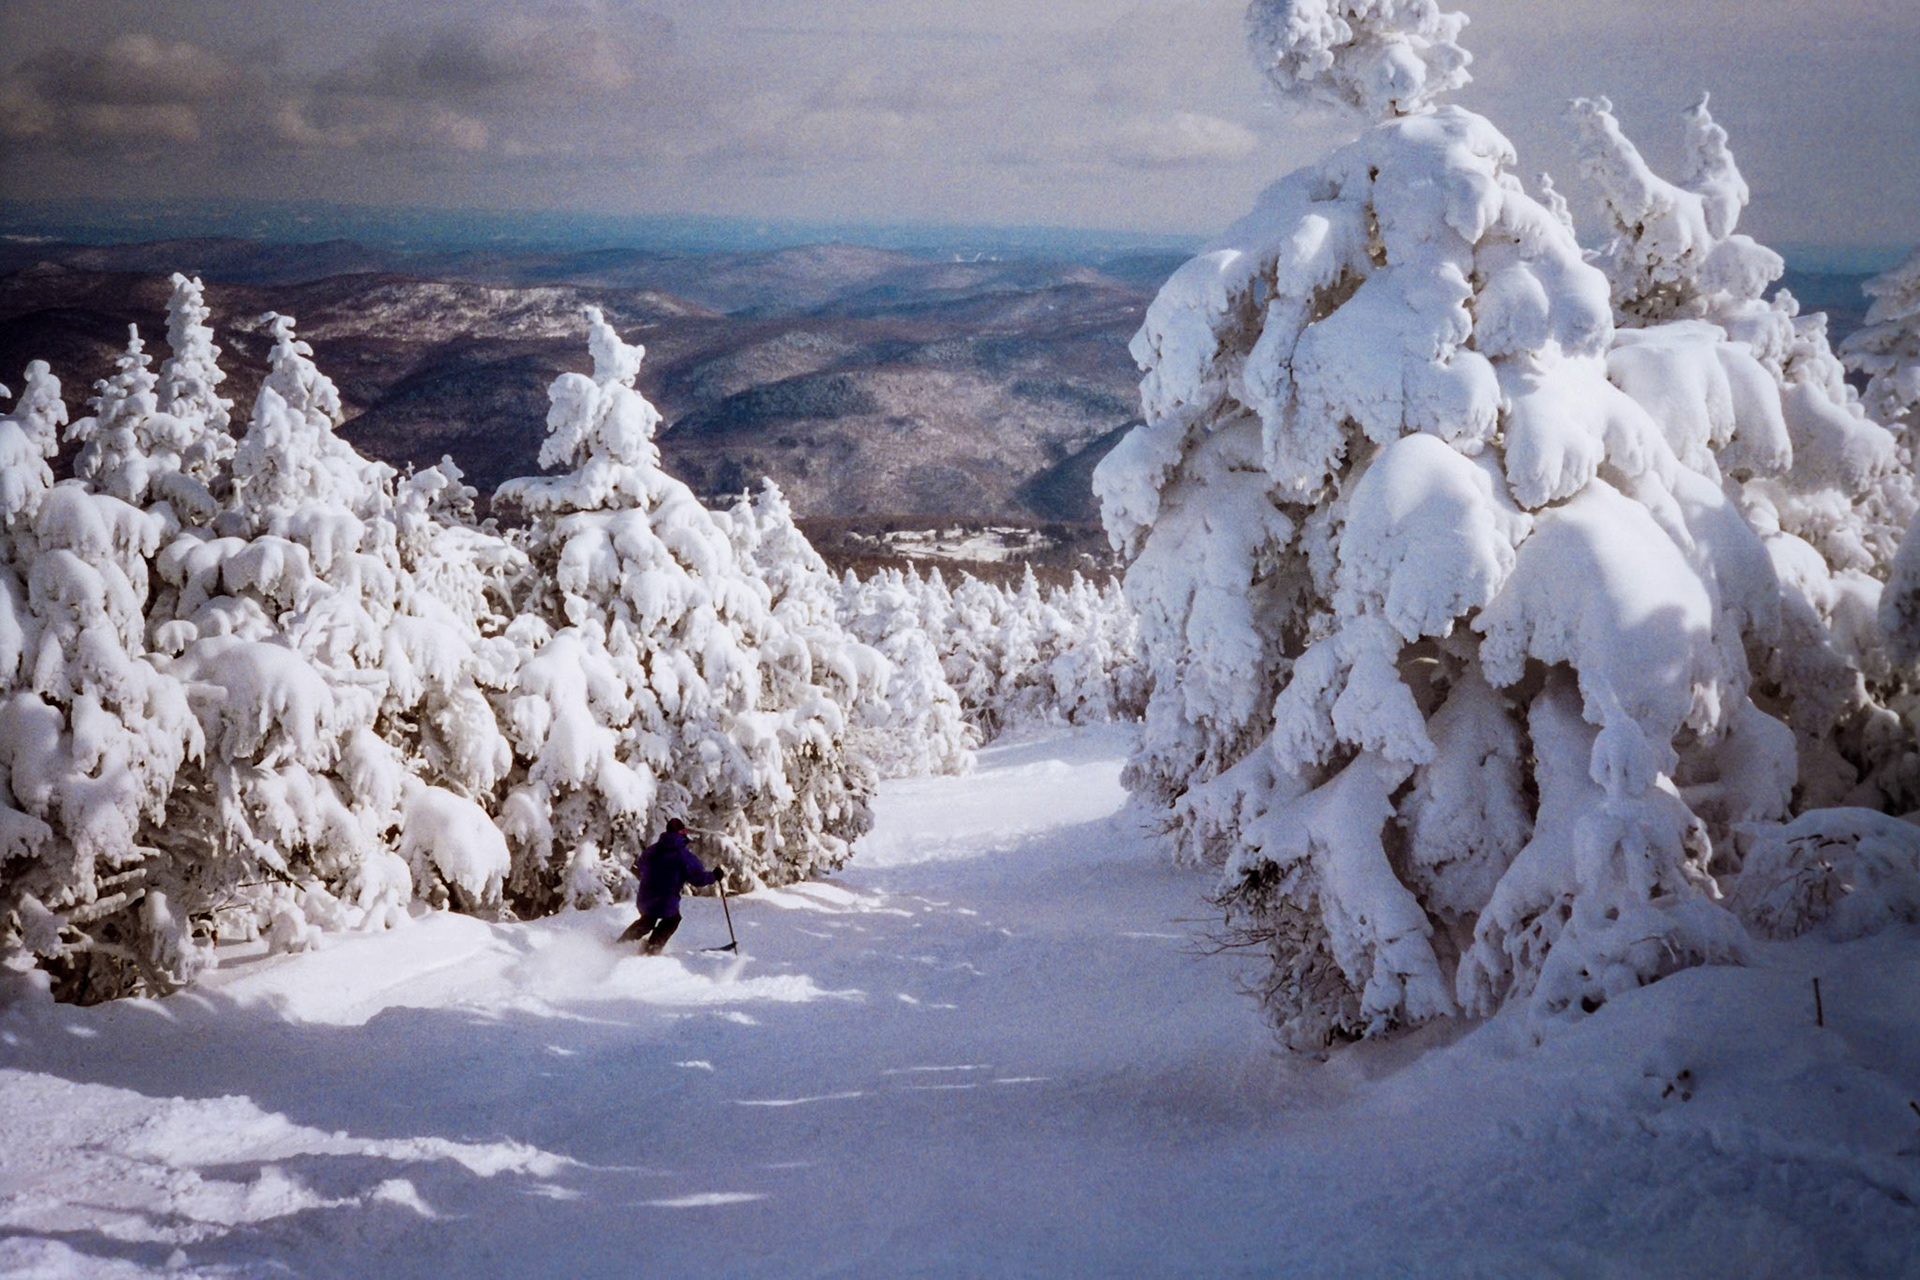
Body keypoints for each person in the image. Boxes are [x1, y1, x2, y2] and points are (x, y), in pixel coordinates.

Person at [628, 818, 718, 954]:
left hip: (645, 896)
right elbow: (698, 878)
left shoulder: (652, 849)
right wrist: (715, 876)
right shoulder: (683, 856)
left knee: (647, 920)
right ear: (682, 832)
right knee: (672, 920)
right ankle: (652, 948)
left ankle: (621, 943)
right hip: (666, 899)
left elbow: (640, 866)